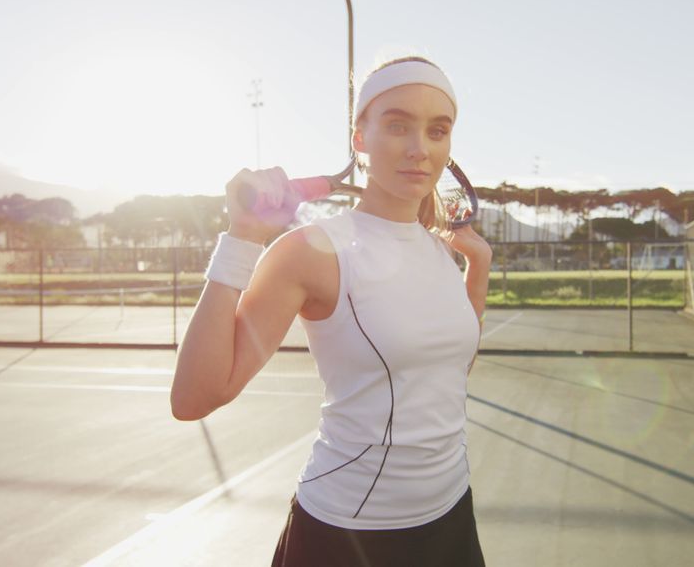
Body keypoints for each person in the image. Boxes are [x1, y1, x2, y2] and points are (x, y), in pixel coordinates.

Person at [171, 56, 490, 566]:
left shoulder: (438, 250)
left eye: (437, 130)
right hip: (348, 535)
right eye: (397, 125)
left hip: (451, 516)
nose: (419, 148)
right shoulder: (311, 251)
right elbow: (194, 397)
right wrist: (244, 238)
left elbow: (452, 370)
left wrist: (479, 267)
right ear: (359, 139)